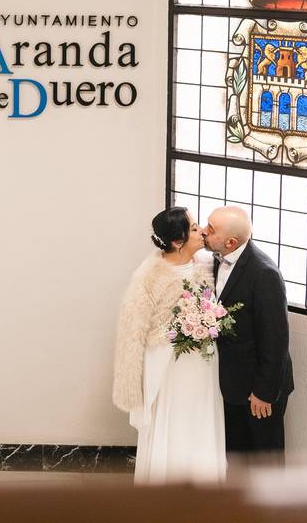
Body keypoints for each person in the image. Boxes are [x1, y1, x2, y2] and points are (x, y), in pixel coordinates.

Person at [112, 207, 226, 484]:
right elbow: (133, 331)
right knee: (174, 419)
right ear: (177, 241)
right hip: (169, 366)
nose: (202, 232)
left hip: (203, 364)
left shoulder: (207, 264)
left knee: (201, 418)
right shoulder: (150, 276)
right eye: (195, 227)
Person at [202, 206, 294, 461]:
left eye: (211, 229)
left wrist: (263, 393)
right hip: (231, 384)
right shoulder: (214, 259)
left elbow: (275, 341)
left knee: (265, 457)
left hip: (259, 387)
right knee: (236, 456)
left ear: (231, 242)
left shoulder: (264, 274)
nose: (204, 232)